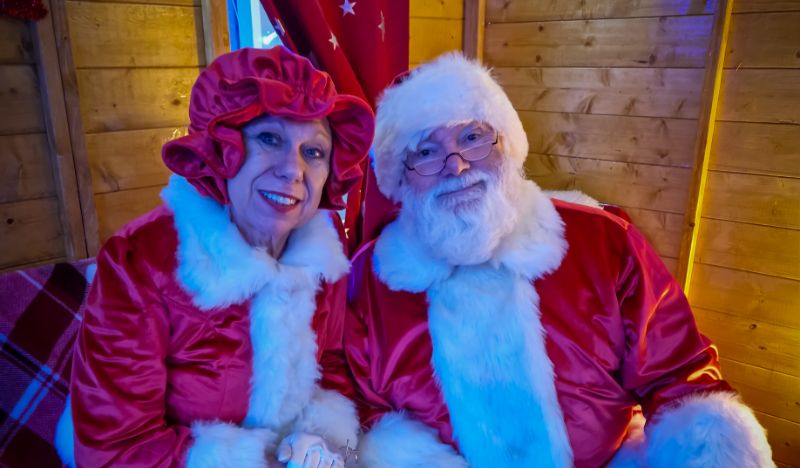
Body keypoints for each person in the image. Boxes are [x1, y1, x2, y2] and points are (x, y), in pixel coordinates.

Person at [342, 53, 774, 467]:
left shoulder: (602, 242)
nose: (456, 166)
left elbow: (679, 378)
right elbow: (366, 410)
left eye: (472, 138)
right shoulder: (371, 278)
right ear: (401, 175)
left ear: (506, 145)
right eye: (426, 152)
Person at [54, 46, 374, 468]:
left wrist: (325, 442)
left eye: (313, 152)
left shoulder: (322, 254)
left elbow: (330, 363)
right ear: (221, 149)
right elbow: (116, 447)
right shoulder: (142, 261)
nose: (293, 171)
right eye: (269, 138)